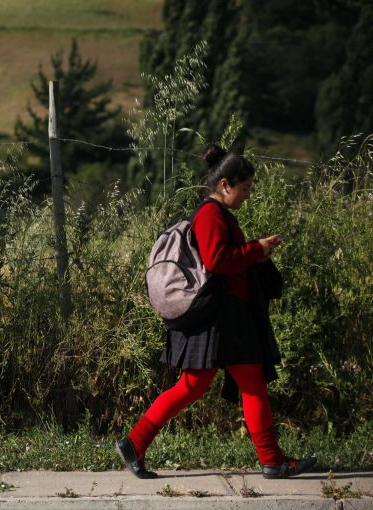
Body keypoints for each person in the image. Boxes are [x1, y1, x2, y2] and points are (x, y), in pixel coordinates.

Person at [116, 143, 317, 479]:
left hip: (223, 316)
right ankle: (272, 460)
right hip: (224, 316)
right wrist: (256, 249)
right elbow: (217, 261)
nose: (248, 195)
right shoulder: (210, 214)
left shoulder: (218, 214)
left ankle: (135, 442)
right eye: (246, 188)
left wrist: (255, 253)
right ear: (225, 185)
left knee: (192, 387)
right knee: (251, 384)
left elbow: (224, 258)